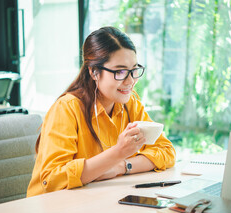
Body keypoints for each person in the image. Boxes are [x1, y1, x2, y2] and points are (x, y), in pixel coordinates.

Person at [27, 26, 176, 197]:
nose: (130, 81)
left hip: (94, 200)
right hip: (51, 207)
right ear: (94, 71)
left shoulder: (130, 103)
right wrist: (118, 153)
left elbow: (166, 151)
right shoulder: (67, 108)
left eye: (134, 70)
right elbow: (52, 180)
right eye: (120, 71)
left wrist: (121, 166)